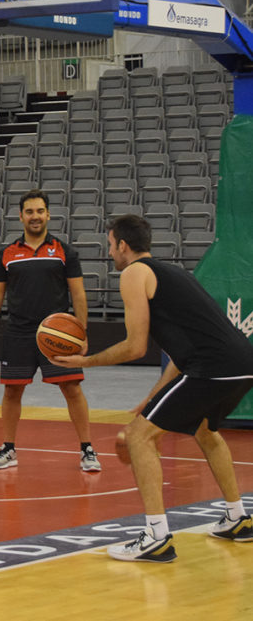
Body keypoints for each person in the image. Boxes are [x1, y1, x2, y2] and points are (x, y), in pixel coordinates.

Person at [52, 214, 253, 562]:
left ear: (123, 246)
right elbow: (182, 355)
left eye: (111, 245)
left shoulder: (133, 274)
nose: (110, 251)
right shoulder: (172, 273)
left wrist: (85, 362)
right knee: (206, 432)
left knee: (139, 437)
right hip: (241, 365)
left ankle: (156, 536)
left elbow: (135, 347)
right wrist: (151, 399)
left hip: (213, 367)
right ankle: (237, 519)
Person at [0, 189, 100, 471]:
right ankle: (8, 449)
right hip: (18, 332)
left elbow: (78, 295)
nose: (35, 216)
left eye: (40, 211)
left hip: (56, 334)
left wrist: (81, 332)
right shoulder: (7, 253)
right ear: (21, 216)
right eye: (30, 212)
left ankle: (88, 449)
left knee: (71, 388)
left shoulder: (64, 251)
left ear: (48, 214)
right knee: (12, 391)